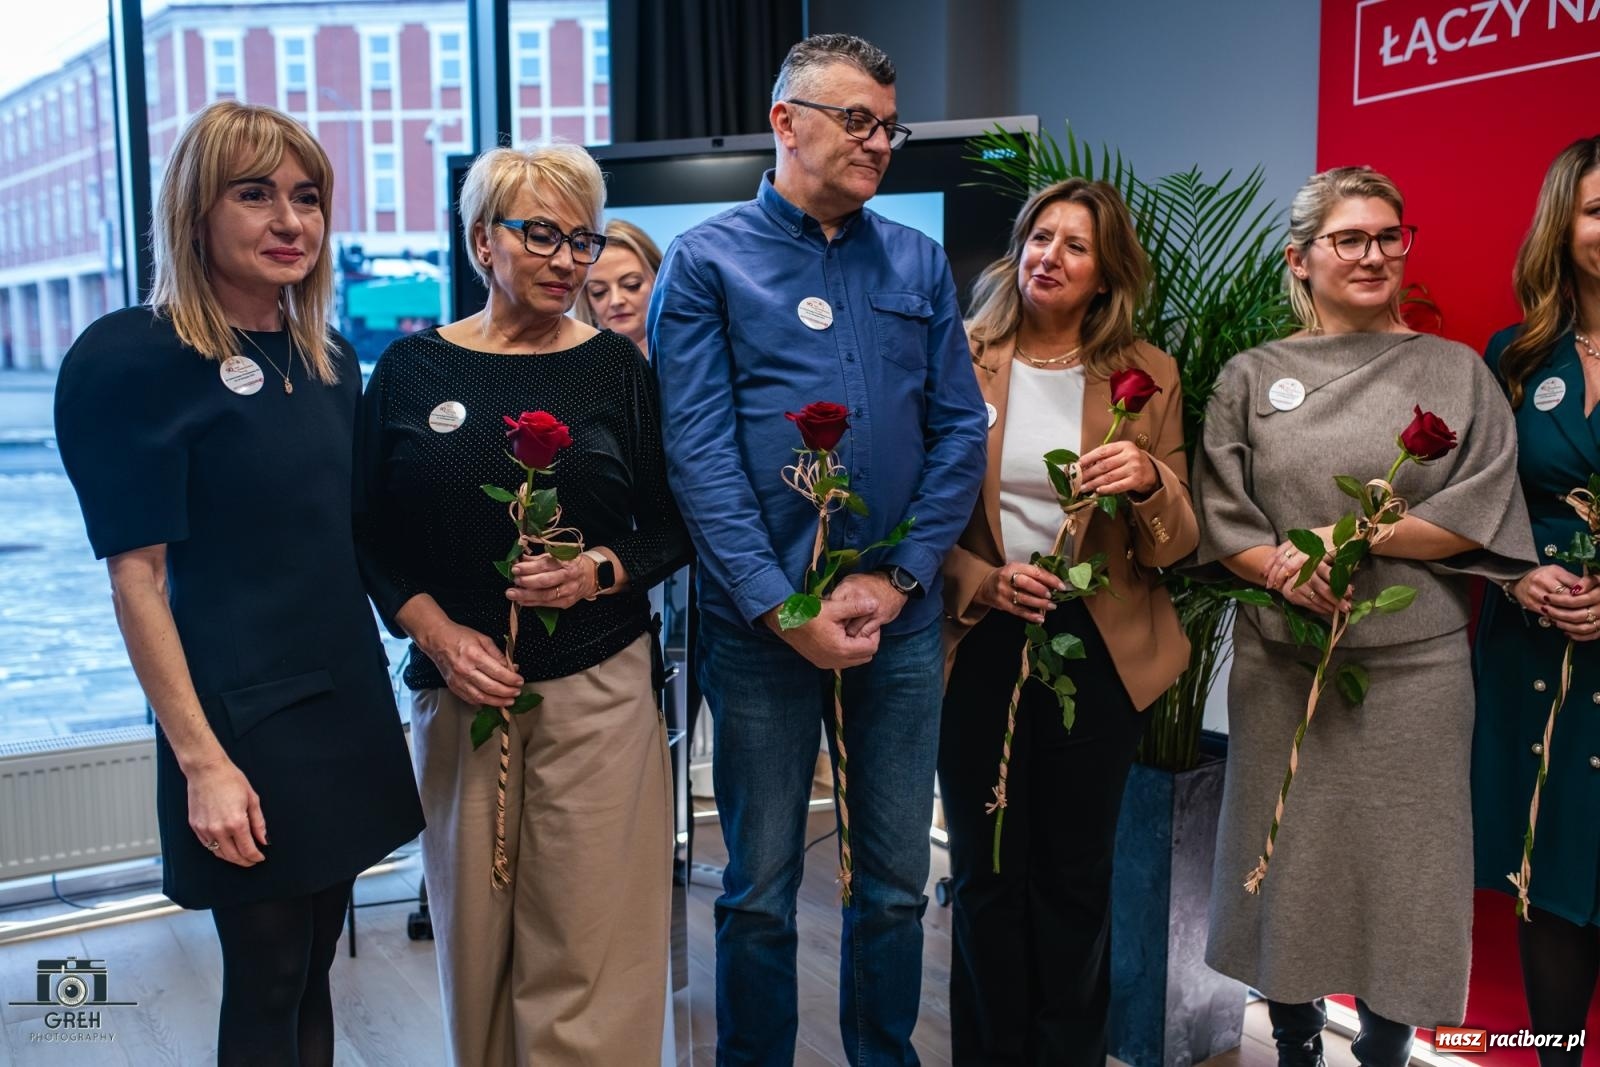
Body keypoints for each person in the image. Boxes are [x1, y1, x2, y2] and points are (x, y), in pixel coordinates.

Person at [52, 100, 424, 1067]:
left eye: (307, 198)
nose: (289, 221)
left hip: (342, 705)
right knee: (263, 975)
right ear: (196, 210)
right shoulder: (132, 359)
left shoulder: (329, 357)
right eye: (254, 195)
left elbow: (351, 537)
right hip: (238, 721)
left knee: (312, 967)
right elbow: (137, 582)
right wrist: (201, 761)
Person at [650, 33, 988, 1066]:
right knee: (755, 889)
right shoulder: (706, 261)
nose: (879, 142)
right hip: (759, 628)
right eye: (857, 121)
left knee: (892, 883)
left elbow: (958, 429)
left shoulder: (917, 260)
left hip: (900, 618)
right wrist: (777, 605)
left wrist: (897, 577)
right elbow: (696, 451)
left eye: (890, 125)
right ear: (786, 120)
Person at [1190, 165, 1535, 1066]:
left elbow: (1480, 505)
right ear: (1300, 259)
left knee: (1408, 876)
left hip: (1417, 672)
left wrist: (1336, 539)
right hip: (1284, 664)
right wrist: (1278, 565)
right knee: (1288, 863)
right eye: (1350, 239)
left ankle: (1387, 1047)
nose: (1375, 254)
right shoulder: (1250, 374)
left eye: (1390, 236)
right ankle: (1296, 1039)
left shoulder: (1455, 371)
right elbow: (1223, 511)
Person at [356, 143, 690, 1065]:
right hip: (460, 690)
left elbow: (670, 526)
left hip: (597, 689)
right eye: (539, 232)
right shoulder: (411, 372)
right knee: (476, 943)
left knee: (591, 947)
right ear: (480, 242)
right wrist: (436, 631)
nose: (565, 260)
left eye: (580, 239)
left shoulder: (618, 374)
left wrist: (599, 573)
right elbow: (369, 534)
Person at [937, 178, 1198, 1064]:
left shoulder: (1146, 373)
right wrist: (978, 576)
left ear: (1105, 270)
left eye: (1074, 245)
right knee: (984, 871)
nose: (1050, 255)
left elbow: (1175, 545)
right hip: (979, 641)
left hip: (1100, 649)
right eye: (1038, 237)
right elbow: (913, 511)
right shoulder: (957, 354)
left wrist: (1150, 481)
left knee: (1075, 877)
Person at [1472, 134, 1600, 1067]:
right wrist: (1516, 573)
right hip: (1534, 654)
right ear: (1565, 226)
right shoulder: (1515, 353)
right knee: (1548, 879)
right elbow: (1480, 501)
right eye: (1596, 210)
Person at [575, 218, 663, 358]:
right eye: (599, 292)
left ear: (659, 282)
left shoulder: (693, 356)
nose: (616, 301)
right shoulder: (575, 370)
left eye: (631, 285)